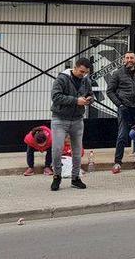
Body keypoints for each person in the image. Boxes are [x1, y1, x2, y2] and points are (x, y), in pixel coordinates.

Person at [50, 58, 93, 191]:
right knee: (57, 149)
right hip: (60, 118)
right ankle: (57, 176)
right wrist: (76, 101)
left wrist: (90, 99)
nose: (83, 74)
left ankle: (75, 178)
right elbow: (56, 97)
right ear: (75, 68)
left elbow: (90, 94)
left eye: (86, 72)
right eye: (81, 71)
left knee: (77, 151)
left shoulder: (86, 80)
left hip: (78, 119)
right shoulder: (62, 79)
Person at [106, 51, 135, 174]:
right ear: (124, 60)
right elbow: (110, 91)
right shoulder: (117, 73)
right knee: (122, 135)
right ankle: (117, 162)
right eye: (127, 58)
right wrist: (120, 104)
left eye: (132, 58)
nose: (129, 60)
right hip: (124, 108)